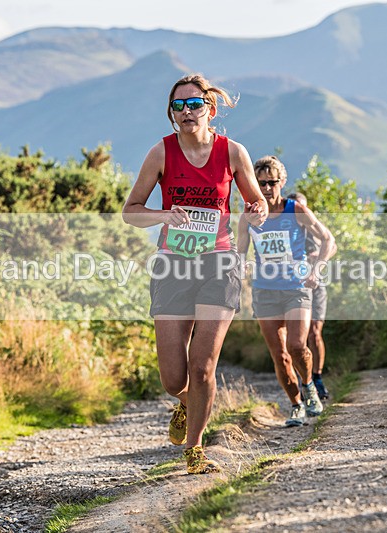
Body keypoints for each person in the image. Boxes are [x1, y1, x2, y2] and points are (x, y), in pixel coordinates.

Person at [122, 74, 267, 474]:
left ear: (210, 110)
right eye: (179, 106)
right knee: (174, 378)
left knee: (202, 367)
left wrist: (257, 211)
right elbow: (130, 211)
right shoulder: (161, 153)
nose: (187, 111)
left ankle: (195, 450)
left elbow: (257, 203)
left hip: (219, 262)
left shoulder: (232, 152)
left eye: (194, 104)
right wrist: (163, 215)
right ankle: (188, 402)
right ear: (172, 113)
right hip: (173, 264)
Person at [238, 157, 336, 427]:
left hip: (296, 287)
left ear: (282, 182)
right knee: (280, 356)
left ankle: (309, 385)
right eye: (261, 183)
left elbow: (328, 239)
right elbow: (240, 252)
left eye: (272, 183)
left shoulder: (296, 209)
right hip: (265, 291)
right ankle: (295, 406)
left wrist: (316, 270)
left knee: (296, 346)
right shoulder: (248, 217)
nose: (267, 189)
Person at [287, 192, 330, 400]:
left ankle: (317, 377)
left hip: (316, 284)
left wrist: (318, 260)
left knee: (314, 332)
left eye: (303, 207)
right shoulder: (285, 228)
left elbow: (331, 244)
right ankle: (303, 379)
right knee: (297, 339)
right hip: (292, 286)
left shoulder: (313, 226)